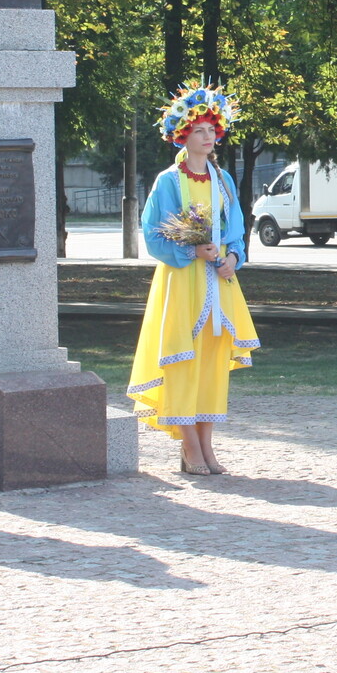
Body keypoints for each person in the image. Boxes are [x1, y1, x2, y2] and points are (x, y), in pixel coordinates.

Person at [127, 84, 259, 476]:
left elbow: (234, 227)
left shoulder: (223, 180)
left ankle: (207, 444)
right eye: (200, 130)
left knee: (212, 362)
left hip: (218, 283)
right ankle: (189, 446)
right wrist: (190, 251)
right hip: (183, 282)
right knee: (183, 360)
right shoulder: (168, 181)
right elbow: (153, 231)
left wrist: (233, 256)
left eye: (211, 129)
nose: (208, 136)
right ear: (183, 135)